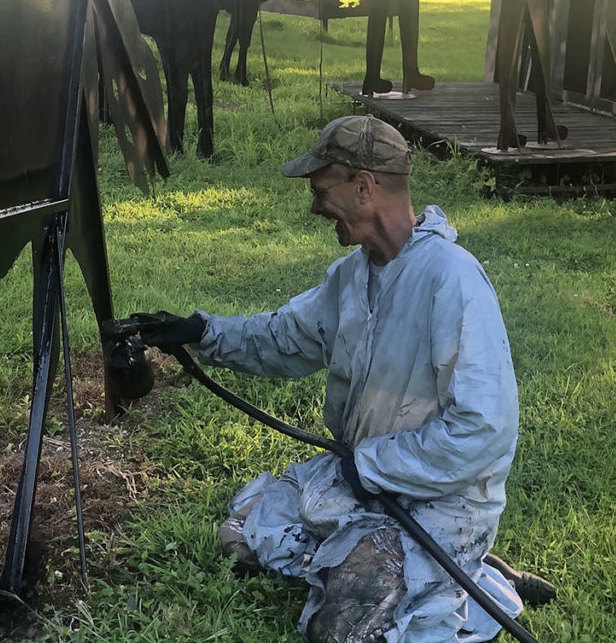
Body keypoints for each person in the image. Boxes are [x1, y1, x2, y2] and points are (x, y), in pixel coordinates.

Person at [133, 115, 555, 643]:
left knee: (340, 630)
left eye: (319, 190)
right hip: (362, 476)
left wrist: (374, 466)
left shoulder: (453, 279)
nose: (314, 206)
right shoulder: (352, 275)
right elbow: (285, 337)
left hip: (439, 498)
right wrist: (199, 331)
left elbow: (483, 432)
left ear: (363, 186)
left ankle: (465, 570)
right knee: (242, 527)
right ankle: (450, 568)